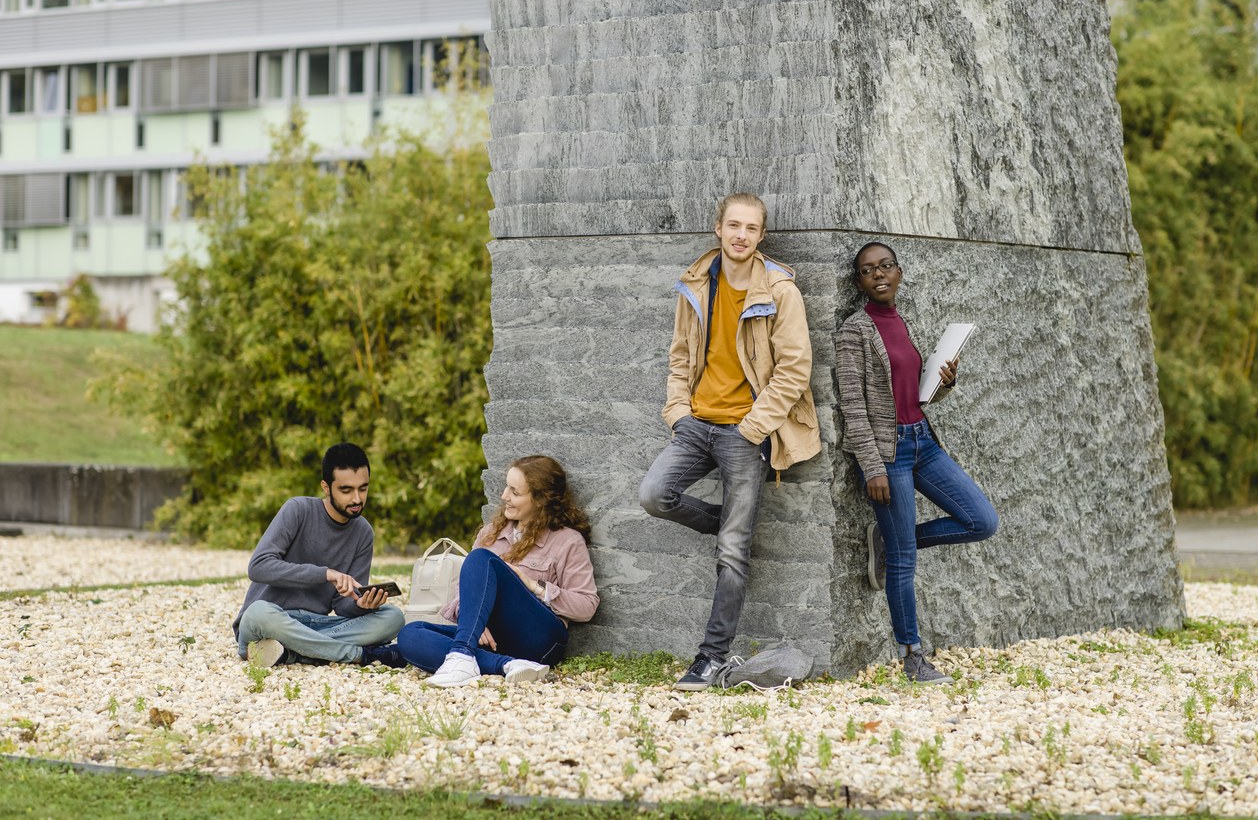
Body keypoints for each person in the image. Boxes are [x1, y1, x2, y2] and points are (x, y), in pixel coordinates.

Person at [638, 192, 820, 691]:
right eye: (733, 225)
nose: (741, 235)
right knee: (654, 495)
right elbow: (680, 354)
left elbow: (795, 368)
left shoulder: (780, 290)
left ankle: (711, 657)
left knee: (733, 554)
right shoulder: (696, 282)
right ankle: (730, 528)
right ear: (717, 228)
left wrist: (753, 427)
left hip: (745, 433)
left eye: (751, 228)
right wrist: (677, 411)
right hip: (696, 424)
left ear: (761, 236)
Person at [835, 242, 999, 684]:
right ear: (860, 283)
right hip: (888, 455)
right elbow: (853, 405)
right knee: (905, 564)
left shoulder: (905, 321)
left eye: (886, 266)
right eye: (869, 271)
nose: (879, 275)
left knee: (981, 521)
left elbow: (917, 393)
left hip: (923, 442)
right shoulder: (856, 330)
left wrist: (946, 383)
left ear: (899, 272)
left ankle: (890, 541)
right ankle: (913, 658)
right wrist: (871, 466)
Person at [399, 455, 597, 687]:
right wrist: (473, 623)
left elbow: (587, 605)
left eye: (514, 492)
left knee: (483, 559)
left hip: (539, 639)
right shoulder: (490, 533)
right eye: (506, 488)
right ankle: (506, 665)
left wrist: (534, 586)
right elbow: (463, 593)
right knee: (410, 634)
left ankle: (463, 654)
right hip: (492, 641)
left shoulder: (567, 541)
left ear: (540, 499)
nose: (504, 496)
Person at [233, 442, 406, 668]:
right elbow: (258, 567)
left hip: (316, 625)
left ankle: (290, 653)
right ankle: (361, 656)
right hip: (270, 621)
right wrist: (325, 574)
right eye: (346, 490)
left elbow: (343, 606)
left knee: (393, 617)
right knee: (258, 613)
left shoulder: (363, 532)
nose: (356, 499)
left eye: (363, 488)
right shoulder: (297, 510)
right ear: (326, 487)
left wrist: (362, 604)